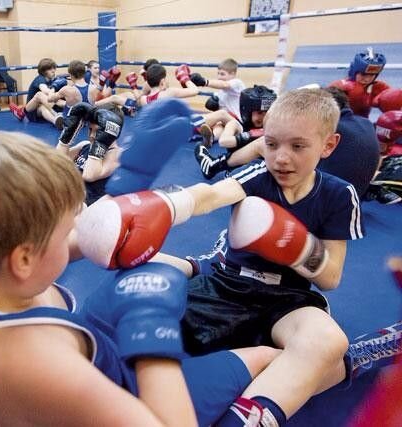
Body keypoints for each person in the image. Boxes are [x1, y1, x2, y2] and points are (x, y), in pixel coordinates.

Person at [0, 131, 280, 426]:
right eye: (66, 233)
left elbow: (70, 243)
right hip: (125, 396)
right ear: (24, 258)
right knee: (267, 356)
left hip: (89, 352)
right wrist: (152, 335)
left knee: (149, 269)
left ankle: (195, 276)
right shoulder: (30, 360)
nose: (75, 235)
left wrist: (132, 197)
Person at [77, 89, 365, 426]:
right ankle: (311, 371)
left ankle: (245, 418)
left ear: (328, 145)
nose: (281, 158)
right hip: (228, 285)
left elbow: (330, 278)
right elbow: (210, 195)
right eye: (271, 145)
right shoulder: (259, 176)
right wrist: (170, 206)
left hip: (287, 299)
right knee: (145, 286)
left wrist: (299, 247)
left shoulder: (339, 195)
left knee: (329, 341)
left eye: (298, 146)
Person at [195, 87, 383, 202]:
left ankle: (214, 165)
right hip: (354, 195)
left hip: (313, 194)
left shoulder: (323, 128)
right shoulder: (366, 124)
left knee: (265, 145)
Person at [56, 103, 123, 205]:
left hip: (87, 208)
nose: (91, 135)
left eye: (98, 131)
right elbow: (56, 161)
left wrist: (100, 142)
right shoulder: (85, 145)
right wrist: (67, 136)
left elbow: (89, 175)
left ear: (111, 132)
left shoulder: (117, 154)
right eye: (90, 129)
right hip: (68, 198)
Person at [329, 48, 390, 118]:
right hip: (338, 125)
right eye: (363, 75)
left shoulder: (378, 87)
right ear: (354, 72)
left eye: (372, 75)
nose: (367, 79)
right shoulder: (340, 86)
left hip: (363, 125)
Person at [8, 58, 64, 129]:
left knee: (44, 107)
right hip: (32, 111)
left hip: (44, 109)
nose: (53, 70)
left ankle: (57, 121)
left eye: (54, 68)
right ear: (44, 71)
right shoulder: (40, 79)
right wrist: (52, 91)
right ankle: (57, 116)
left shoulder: (53, 80)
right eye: (50, 69)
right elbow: (44, 89)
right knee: (40, 95)